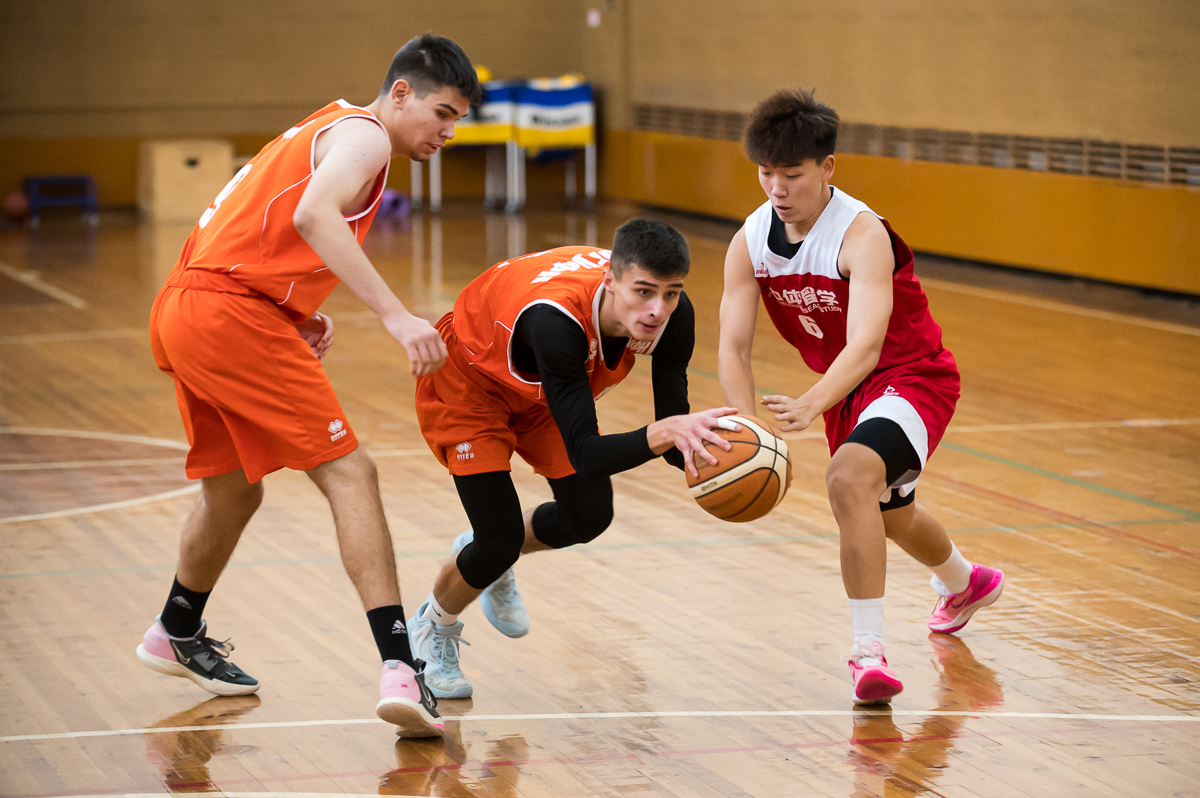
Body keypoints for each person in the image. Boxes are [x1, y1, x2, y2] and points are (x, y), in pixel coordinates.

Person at [137, 34, 482, 738]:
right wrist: (396, 316)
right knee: (351, 473)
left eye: (457, 120)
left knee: (234, 488)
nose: (448, 131)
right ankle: (401, 667)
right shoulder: (368, 137)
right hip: (227, 313)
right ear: (401, 93)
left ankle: (176, 628)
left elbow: (258, 228)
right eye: (442, 113)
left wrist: (291, 310)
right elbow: (313, 215)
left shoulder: (323, 125)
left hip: (187, 307)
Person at [718, 88, 1004, 705]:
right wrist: (747, 427)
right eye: (766, 173)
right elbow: (733, 346)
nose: (777, 188)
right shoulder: (750, 240)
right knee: (889, 514)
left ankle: (866, 654)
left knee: (848, 480)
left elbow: (868, 347)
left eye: (792, 174)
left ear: (827, 167)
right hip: (849, 392)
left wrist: (811, 403)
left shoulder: (862, 234)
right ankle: (965, 582)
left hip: (912, 374)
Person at [408, 219, 739, 698]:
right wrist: (665, 432)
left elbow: (671, 431)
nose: (657, 309)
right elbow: (587, 454)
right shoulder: (555, 321)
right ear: (611, 280)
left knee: (589, 514)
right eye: (644, 291)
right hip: (469, 382)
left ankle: (482, 556)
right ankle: (432, 628)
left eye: (670, 293)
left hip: (546, 386)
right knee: (498, 540)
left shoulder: (673, 315)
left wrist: (722, 456)